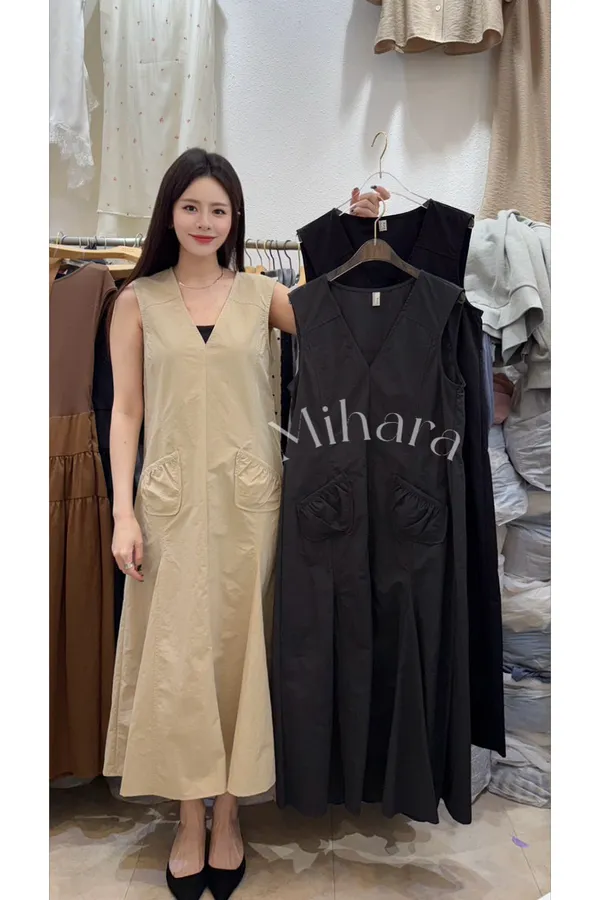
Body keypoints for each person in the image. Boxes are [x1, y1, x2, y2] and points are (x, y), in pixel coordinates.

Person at [104, 147, 387, 900]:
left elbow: (342, 315)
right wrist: (122, 512)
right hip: (167, 509)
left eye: (219, 209)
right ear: (169, 213)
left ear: (236, 219)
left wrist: (358, 231)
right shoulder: (136, 302)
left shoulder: (264, 295)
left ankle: (229, 813)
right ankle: (187, 817)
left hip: (251, 508)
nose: (205, 221)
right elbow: (125, 412)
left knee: (241, 657)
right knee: (180, 661)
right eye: (192, 207)